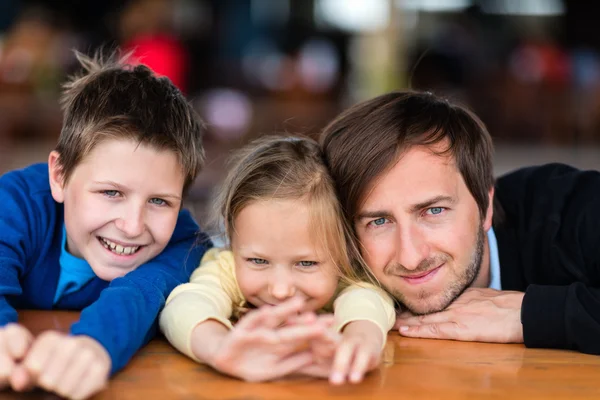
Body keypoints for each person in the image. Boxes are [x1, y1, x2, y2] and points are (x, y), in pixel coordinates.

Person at [320, 90, 600, 355]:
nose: (410, 257)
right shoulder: (338, 261)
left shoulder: (575, 208)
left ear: (486, 205)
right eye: (379, 221)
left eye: (434, 211)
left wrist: (530, 315)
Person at [0, 50, 211, 399]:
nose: (131, 226)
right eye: (111, 192)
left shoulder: (185, 244)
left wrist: (96, 347)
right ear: (60, 175)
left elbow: (140, 295)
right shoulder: (18, 203)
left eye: (159, 201)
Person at [159, 136, 395, 384]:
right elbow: (186, 304)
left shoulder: (345, 274)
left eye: (306, 263)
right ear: (231, 240)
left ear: (345, 251)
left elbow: (367, 298)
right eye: (258, 261)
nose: (280, 291)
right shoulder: (227, 267)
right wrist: (218, 346)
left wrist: (361, 335)